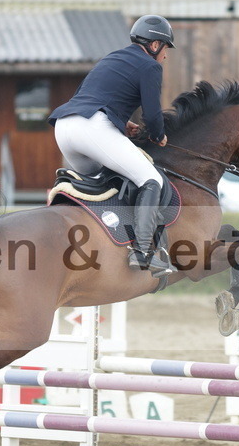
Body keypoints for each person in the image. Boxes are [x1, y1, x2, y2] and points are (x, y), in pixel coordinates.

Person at [49, 14, 175, 276]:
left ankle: (104, 238)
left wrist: (122, 121)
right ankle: (142, 252)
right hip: (92, 128)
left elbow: (92, 95)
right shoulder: (151, 66)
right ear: (155, 46)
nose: (166, 56)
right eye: (166, 49)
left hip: (65, 128)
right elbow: (153, 115)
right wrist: (158, 135)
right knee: (151, 179)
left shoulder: (112, 57)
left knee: (106, 179)